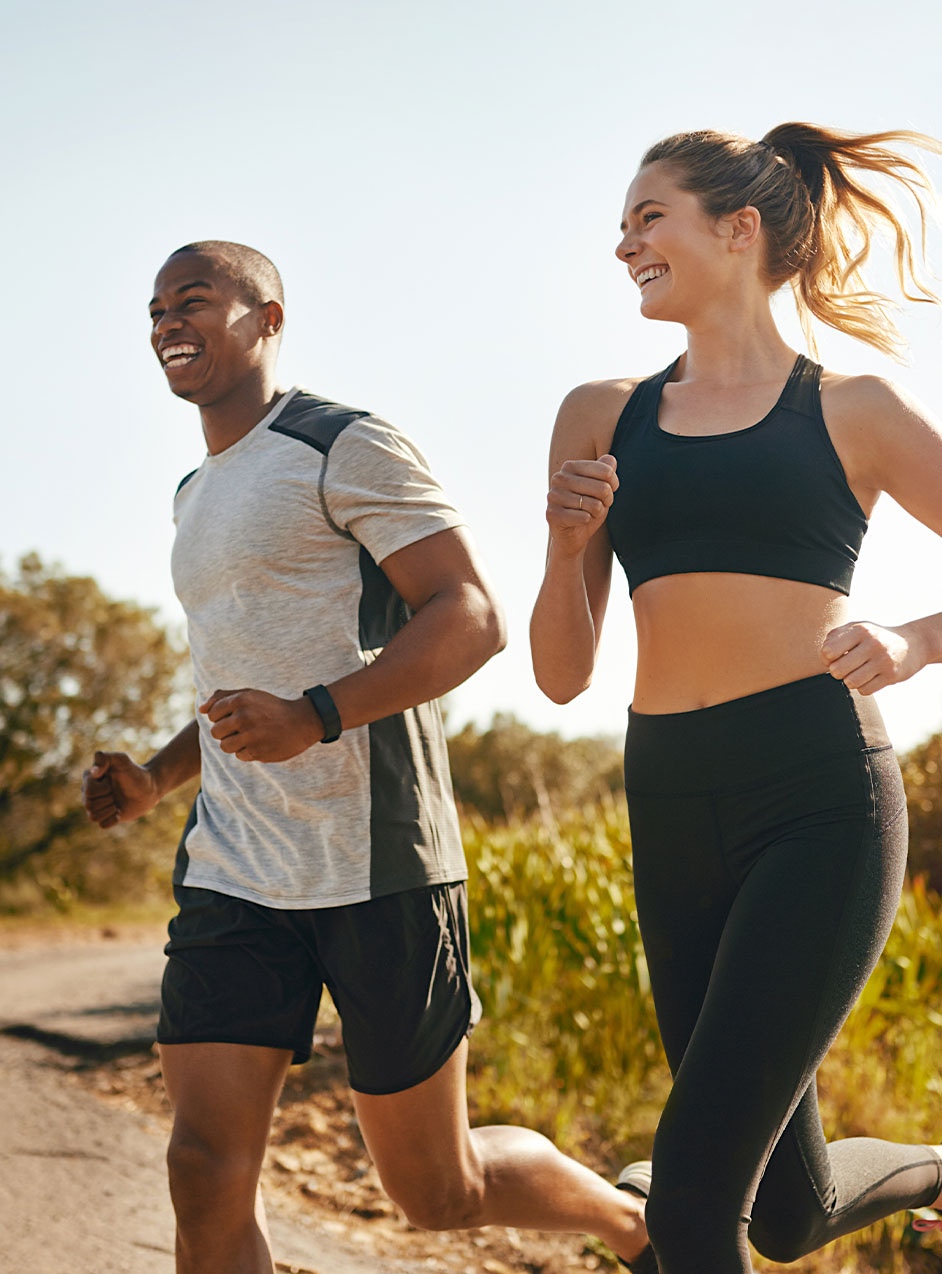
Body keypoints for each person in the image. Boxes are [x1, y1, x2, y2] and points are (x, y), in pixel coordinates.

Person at [82, 240, 651, 1274]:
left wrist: (315, 714)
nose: (167, 320)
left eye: (194, 300)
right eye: (155, 308)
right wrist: (159, 777)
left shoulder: (344, 443)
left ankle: (633, 1224)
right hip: (234, 870)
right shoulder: (190, 494)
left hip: (379, 862)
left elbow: (471, 617)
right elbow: (237, 682)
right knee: (205, 1167)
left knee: (437, 1192)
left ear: (269, 317)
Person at [530, 124, 942, 1274]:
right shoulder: (600, 412)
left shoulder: (851, 407)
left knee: (693, 1194)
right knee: (785, 1209)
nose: (624, 245)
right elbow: (561, 671)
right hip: (669, 796)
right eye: (621, 226)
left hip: (819, 799)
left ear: (739, 227)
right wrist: (566, 547)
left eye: (647, 216)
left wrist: (913, 639)